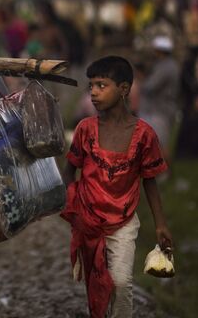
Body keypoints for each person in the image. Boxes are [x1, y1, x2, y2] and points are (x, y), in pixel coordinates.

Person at [61, 56, 173, 318]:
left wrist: (160, 224)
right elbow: (69, 172)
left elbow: (150, 181)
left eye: (102, 85)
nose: (94, 93)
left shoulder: (144, 134)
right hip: (89, 222)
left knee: (121, 282)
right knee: (98, 284)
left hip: (123, 221)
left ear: (124, 89)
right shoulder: (85, 130)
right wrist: (67, 206)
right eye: (91, 86)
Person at [138, 36, 180, 167]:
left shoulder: (165, 67)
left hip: (160, 110)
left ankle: (167, 172)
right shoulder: (168, 65)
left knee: (160, 143)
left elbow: (150, 86)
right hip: (161, 109)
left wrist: (141, 80)